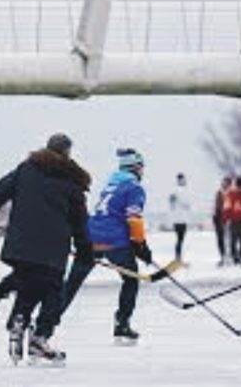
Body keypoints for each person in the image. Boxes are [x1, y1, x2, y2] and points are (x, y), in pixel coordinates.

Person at [0, 134, 92, 364]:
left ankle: (18, 318)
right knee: (53, 291)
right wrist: (84, 250)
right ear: (67, 153)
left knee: (28, 281)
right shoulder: (72, 182)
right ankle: (40, 337)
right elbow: (79, 222)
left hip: (20, 243)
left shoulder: (26, 169)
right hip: (52, 249)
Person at [60, 148, 154, 346]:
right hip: (115, 242)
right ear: (136, 168)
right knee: (131, 279)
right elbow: (133, 218)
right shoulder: (134, 188)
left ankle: (45, 323)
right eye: (142, 167)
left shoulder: (111, 185)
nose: (143, 171)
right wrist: (141, 245)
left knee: (71, 285)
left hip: (90, 239)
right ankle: (122, 324)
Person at [169, 173, 191, 259]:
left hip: (182, 219)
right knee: (180, 239)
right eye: (181, 179)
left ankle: (178, 257)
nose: (183, 181)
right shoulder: (177, 191)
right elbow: (185, 203)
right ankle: (178, 257)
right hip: (178, 219)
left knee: (180, 239)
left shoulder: (181, 190)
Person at [213, 177, 232, 266]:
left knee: (228, 238)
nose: (224, 184)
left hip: (228, 218)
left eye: (225, 183)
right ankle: (223, 256)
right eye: (223, 183)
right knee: (220, 239)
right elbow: (216, 206)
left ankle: (229, 257)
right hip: (219, 218)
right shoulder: (219, 193)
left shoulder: (232, 194)